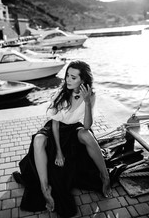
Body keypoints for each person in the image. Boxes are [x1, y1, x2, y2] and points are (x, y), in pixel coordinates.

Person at [13, 60, 112, 217]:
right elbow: (55, 125)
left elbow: (86, 126)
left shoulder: (90, 95)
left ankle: (104, 176)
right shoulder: (60, 94)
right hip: (55, 129)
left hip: (74, 129)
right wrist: (59, 151)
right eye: (67, 76)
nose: (68, 80)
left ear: (83, 80)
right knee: (38, 140)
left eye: (73, 77)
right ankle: (45, 189)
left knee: (87, 134)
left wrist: (87, 103)